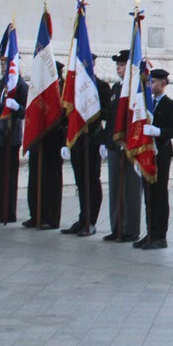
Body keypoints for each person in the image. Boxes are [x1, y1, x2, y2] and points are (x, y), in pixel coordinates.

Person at [62, 57, 111, 237]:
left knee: (92, 181)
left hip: (93, 139)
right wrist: (65, 142)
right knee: (80, 182)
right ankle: (82, 218)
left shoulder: (101, 86)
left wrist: (92, 107)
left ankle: (91, 221)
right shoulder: (73, 87)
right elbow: (66, 114)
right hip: (77, 140)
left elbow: (108, 113)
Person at [134, 68, 173, 249]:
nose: (151, 85)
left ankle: (160, 236)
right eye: (150, 82)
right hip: (147, 153)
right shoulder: (147, 105)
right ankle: (150, 233)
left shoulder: (170, 105)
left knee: (159, 194)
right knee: (148, 195)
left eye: (154, 82)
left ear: (163, 83)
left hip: (161, 153)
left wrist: (159, 131)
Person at [0, 53, 28, 223]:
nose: (3, 66)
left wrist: (16, 107)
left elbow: (26, 111)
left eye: (6, 63)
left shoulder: (20, 86)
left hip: (10, 138)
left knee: (7, 178)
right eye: (2, 63)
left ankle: (7, 212)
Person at [103, 50, 141, 243]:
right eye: (117, 64)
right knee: (115, 187)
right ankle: (116, 226)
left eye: (122, 64)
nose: (118, 67)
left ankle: (130, 229)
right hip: (113, 144)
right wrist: (106, 140)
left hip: (130, 145)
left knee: (131, 188)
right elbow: (110, 118)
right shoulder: (116, 89)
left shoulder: (136, 89)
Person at [24, 62, 66, 230]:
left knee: (51, 179)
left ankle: (51, 217)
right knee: (35, 177)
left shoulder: (62, 89)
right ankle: (36, 214)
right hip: (38, 137)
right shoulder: (38, 88)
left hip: (54, 140)